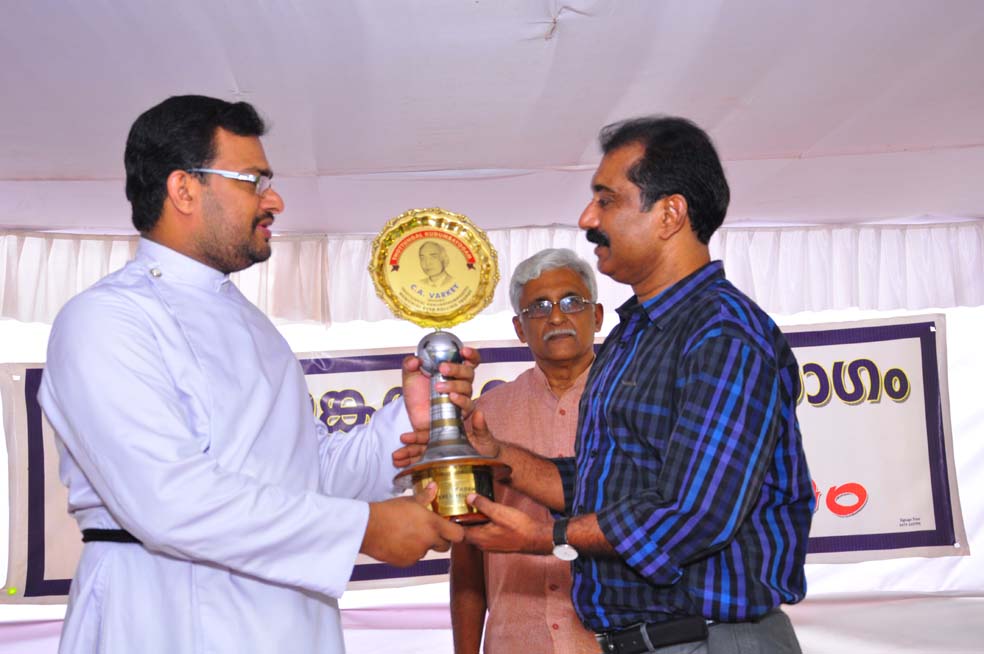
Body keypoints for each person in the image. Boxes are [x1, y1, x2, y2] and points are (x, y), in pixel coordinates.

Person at [37, 95, 472, 654]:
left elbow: (305, 473)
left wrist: (410, 418)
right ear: (184, 189)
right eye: (253, 180)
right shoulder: (105, 318)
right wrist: (366, 528)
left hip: (288, 619)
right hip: (162, 612)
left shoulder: (251, 323)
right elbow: (169, 500)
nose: (275, 200)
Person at [462, 116, 814, 654]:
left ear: (670, 214)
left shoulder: (722, 332)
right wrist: (497, 456)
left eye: (606, 200)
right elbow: (606, 485)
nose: (587, 219)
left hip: (710, 640)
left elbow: (695, 511)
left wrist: (547, 537)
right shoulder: (634, 336)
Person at [450, 248, 603, 654]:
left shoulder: (635, 404)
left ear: (597, 316)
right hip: (517, 640)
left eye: (572, 302)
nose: (556, 317)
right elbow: (467, 560)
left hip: (615, 641)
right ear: (520, 328)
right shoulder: (485, 416)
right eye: (539, 307)